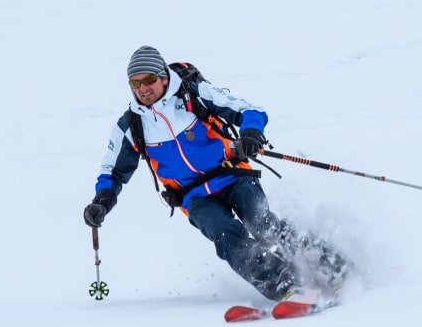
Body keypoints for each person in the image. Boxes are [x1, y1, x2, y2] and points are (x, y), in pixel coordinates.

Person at [83, 46, 347, 301]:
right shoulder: (131, 125)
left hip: (232, 174)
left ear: (163, 77)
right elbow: (113, 172)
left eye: (149, 79)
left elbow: (250, 110)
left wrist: (251, 133)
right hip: (194, 197)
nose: (143, 89)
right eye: (135, 83)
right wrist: (102, 201)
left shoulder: (193, 95)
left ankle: (332, 266)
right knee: (225, 235)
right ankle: (284, 285)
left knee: (261, 223)